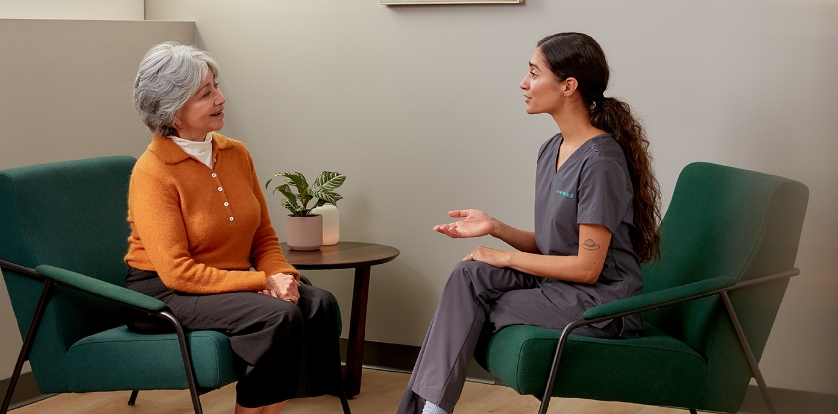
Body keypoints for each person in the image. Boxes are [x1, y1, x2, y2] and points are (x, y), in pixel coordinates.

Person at [397, 32, 661, 414]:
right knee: (468, 275)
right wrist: (496, 228)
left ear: (568, 86)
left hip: (601, 302)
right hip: (561, 285)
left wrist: (503, 258)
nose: (524, 83)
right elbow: (556, 246)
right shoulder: (551, 150)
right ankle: (428, 411)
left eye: (534, 73)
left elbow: (587, 268)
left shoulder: (601, 162)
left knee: (478, 304)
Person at [124, 42, 341, 414]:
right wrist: (262, 283)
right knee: (278, 315)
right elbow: (178, 272)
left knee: (318, 304)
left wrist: (281, 275)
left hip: (226, 280)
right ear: (174, 110)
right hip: (164, 291)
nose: (221, 98)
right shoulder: (152, 172)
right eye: (206, 94)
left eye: (216, 86)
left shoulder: (235, 153)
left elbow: (264, 237)